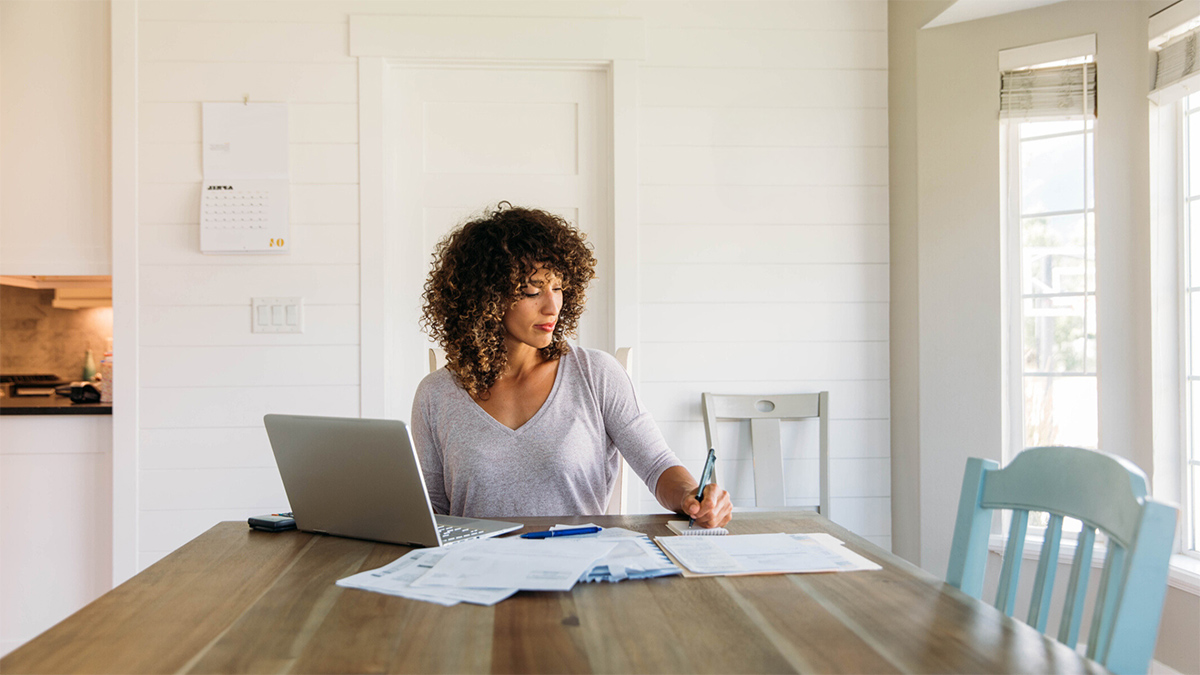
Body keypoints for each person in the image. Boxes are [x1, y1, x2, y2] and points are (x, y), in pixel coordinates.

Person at [411, 204, 733, 528]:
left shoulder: (596, 374)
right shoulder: (436, 394)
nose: (552, 307)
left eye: (558, 288)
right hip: (476, 571)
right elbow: (431, 513)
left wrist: (693, 495)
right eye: (532, 291)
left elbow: (658, 465)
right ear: (485, 298)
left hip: (579, 568)